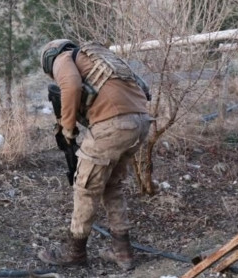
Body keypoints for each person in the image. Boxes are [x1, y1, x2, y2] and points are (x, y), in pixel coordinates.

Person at [38, 39, 152, 270]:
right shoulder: (101, 58)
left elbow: (70, 85)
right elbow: (143, 88)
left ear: (49, 58)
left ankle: (74, 253)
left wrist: (68, 128)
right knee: (112, 186)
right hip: (140, 121)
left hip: (113, 124)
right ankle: (123, 253)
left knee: (86, 188)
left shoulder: (63, 58)